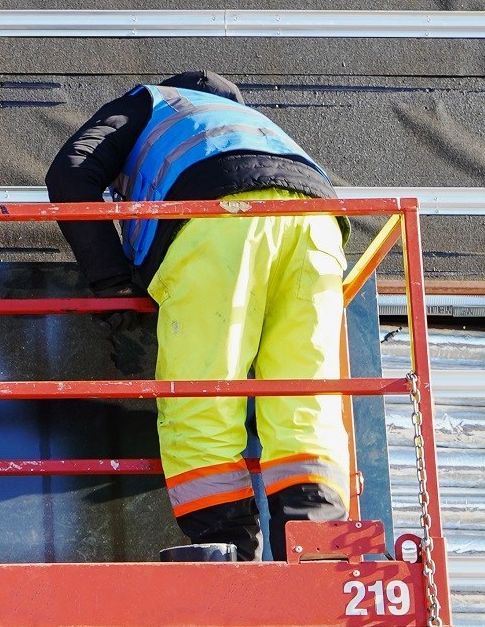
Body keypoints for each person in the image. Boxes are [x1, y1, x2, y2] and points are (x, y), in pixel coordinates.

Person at [46, 71, 351, 561]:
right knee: (303, 394)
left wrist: (112, 282)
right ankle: (315, 546)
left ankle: (229, 546)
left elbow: (71, 171)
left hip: (220, 218)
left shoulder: (152, 102)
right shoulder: (255, 123)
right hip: (319, 223)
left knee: (202, 394)